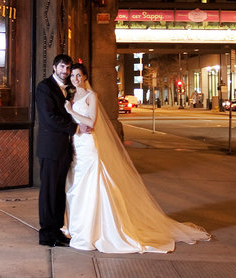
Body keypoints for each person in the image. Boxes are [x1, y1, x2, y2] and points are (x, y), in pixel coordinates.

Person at [62, 63, 211, 253]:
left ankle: (96, 229)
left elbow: (92, 122)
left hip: (89, 145)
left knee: (91, 183)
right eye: (73, 75)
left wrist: (71, 111)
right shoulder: (72, 96)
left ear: (85, 77)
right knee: (76, 184)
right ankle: (78, 225)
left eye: (78, 75)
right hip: (76, 143)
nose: (75, 78)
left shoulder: (92, 96)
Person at [34, 53, 87, 247]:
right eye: (62, 67)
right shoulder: (44, 87)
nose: (65, 71)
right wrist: (74, 128)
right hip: (50, 148)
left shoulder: (69, 88)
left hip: (64, 148)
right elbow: (49, 117)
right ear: (55, 67)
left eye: (68, 68)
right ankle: (46, 234)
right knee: (49, 192)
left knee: (58, 192)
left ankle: (57, 230)